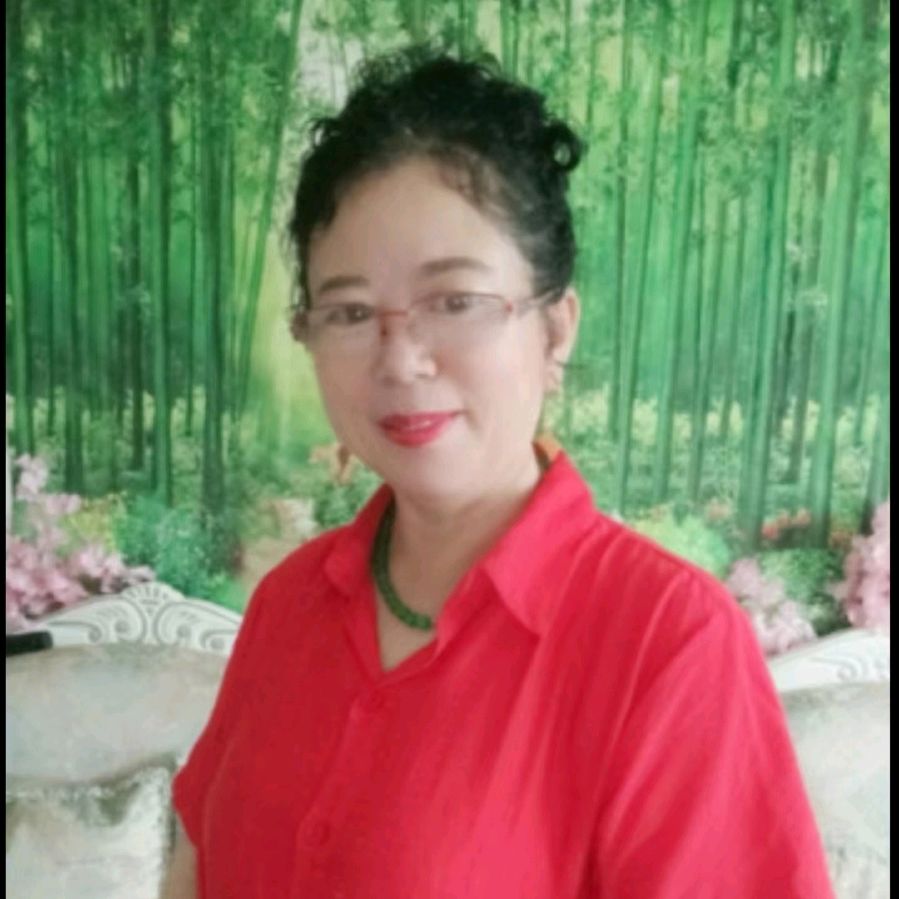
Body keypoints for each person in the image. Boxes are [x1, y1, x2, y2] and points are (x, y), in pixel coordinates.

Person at [163, 47, 835, 899]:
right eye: (350, 310)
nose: (400, 358)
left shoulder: (667, 643)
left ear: (554, 329)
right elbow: (196, 866)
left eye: (455, 301)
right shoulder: (287, 603)